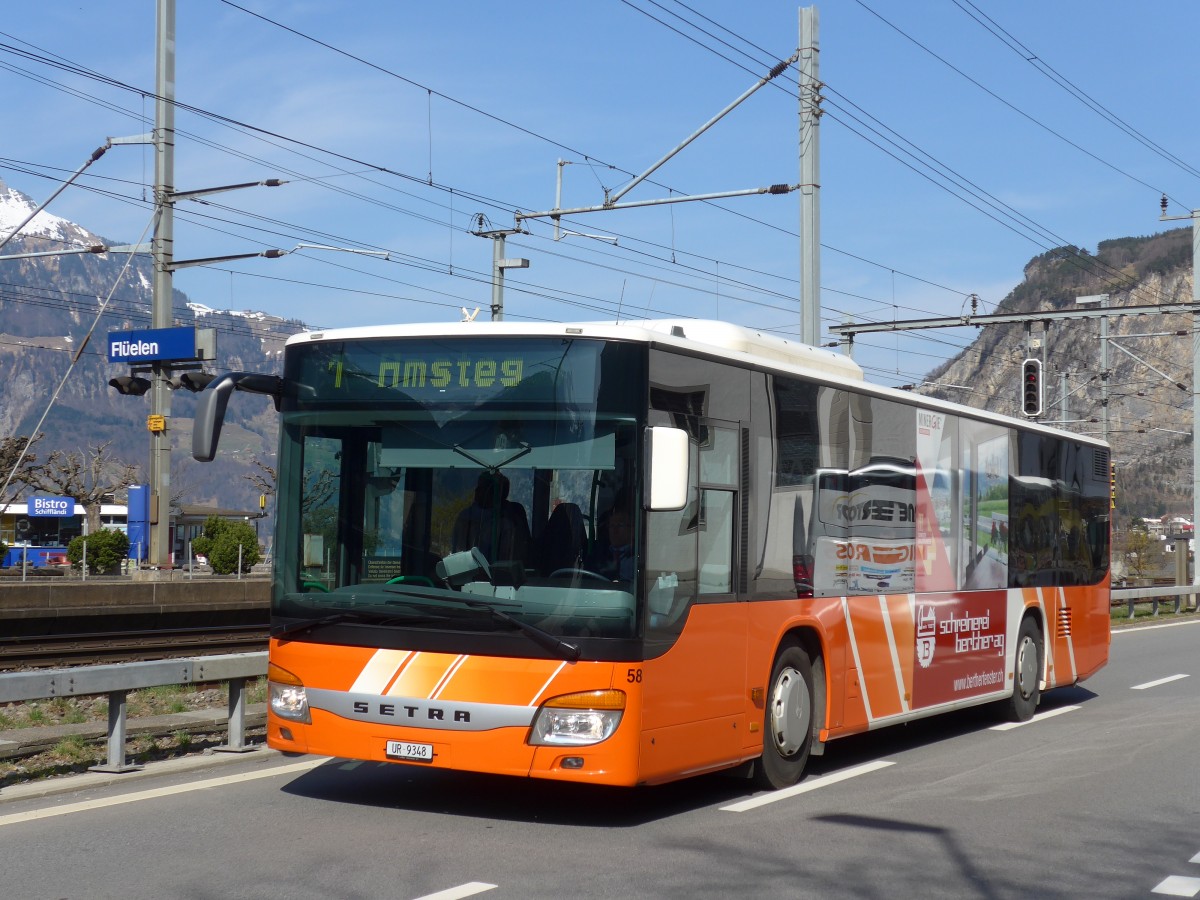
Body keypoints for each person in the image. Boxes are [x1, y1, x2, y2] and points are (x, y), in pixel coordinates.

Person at [452, 472, 530, 563]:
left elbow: (511, 556)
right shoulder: (466, 518)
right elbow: (459, 551)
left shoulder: (507, 521)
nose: (476, 490)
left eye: (481, 487)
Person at [595, 505, 635, 581]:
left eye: (620, 525)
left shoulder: (638, 559)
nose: (614, 530)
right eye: (611, 525)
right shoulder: (598, 554)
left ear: (632, 530)